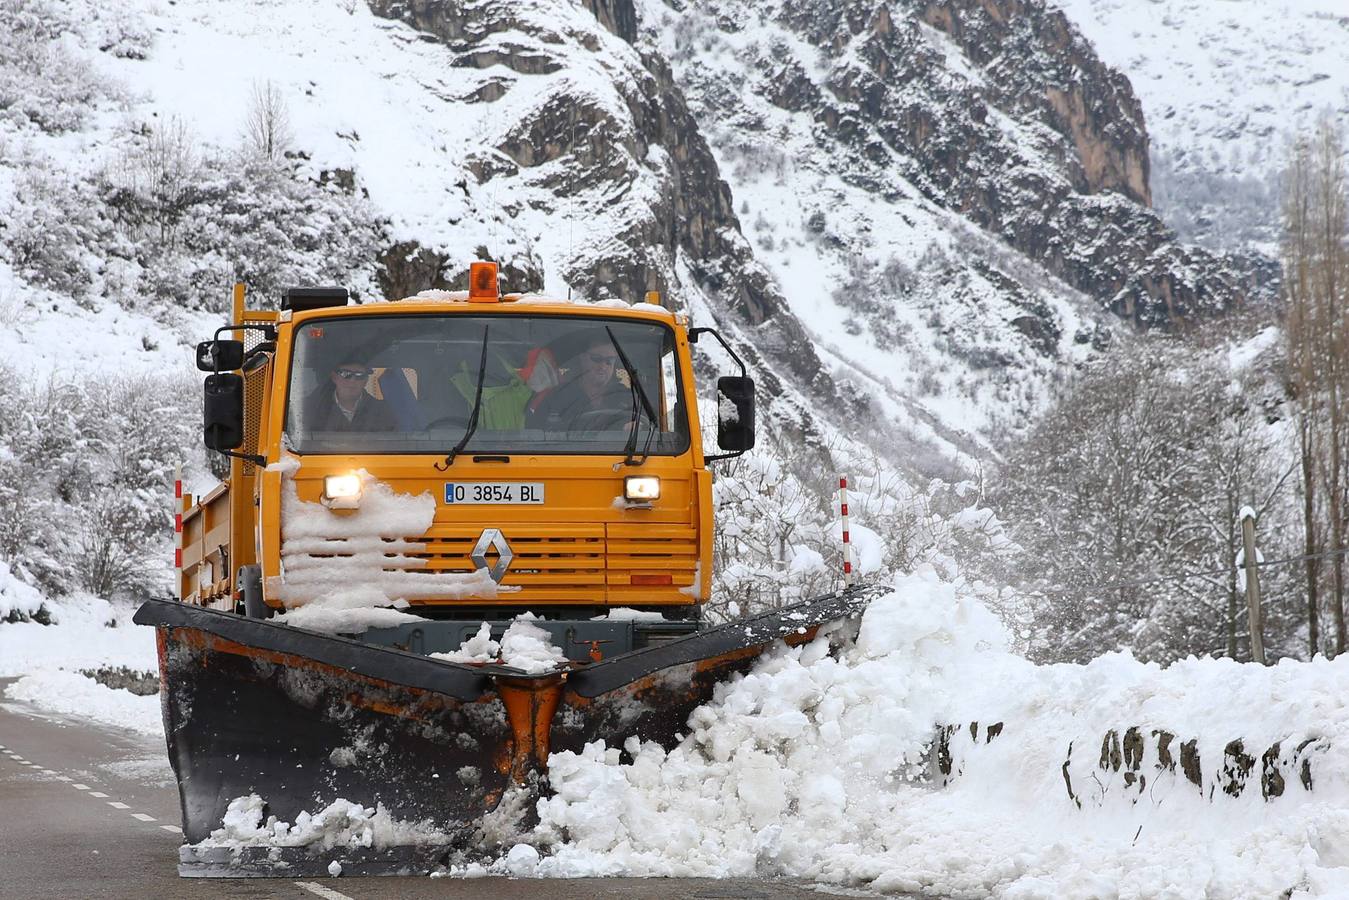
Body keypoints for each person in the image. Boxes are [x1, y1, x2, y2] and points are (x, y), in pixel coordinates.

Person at [527, 338, 633, 432]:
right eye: (596, 359)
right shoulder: (558, 396)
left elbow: (646, 425)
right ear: (582, 358)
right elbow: (535, 434)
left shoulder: (627, 397)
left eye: (609, 361)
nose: (603, 366)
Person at [300, 359, 397, 433]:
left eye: (359, 375)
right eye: (346, 374)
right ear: (334, 377)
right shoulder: (308, 409)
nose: (352, 381)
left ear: (365, 381)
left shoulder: (382, 410)